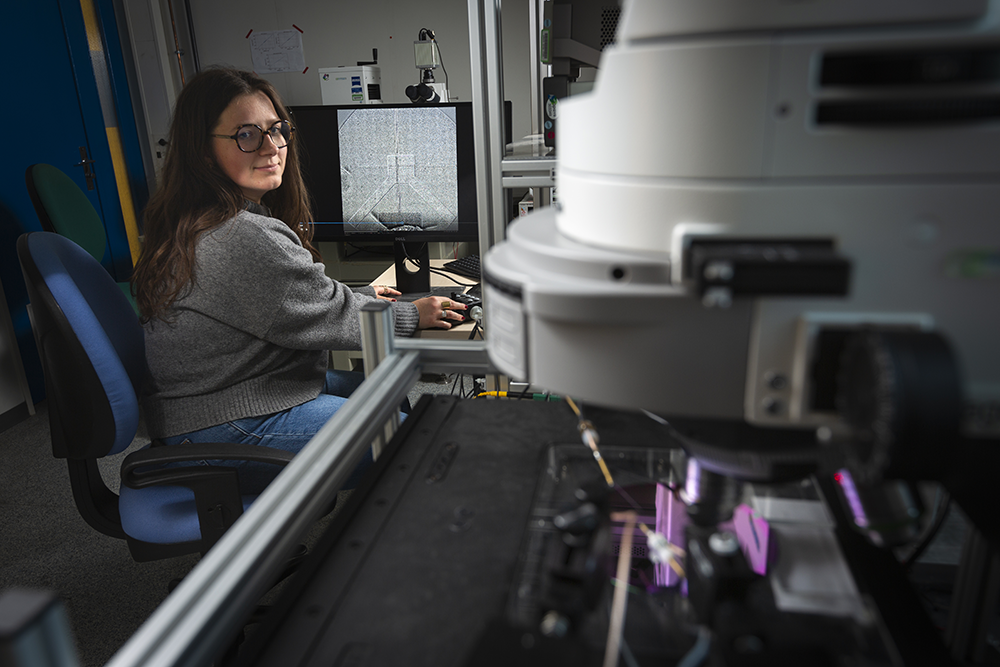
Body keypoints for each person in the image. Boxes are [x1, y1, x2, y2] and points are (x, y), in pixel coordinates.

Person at [131, 67, 465, 494]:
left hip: (235, 394)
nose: (271, 147)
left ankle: (374, 514)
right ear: (202, 149)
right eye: (246, 135)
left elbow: (282, 301)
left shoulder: (201, 217)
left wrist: (361, 295)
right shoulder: (240, 235)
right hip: (225, 422)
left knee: (388, 390)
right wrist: (409, 315)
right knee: (425, 444)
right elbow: (332, 316)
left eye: (276, 130)